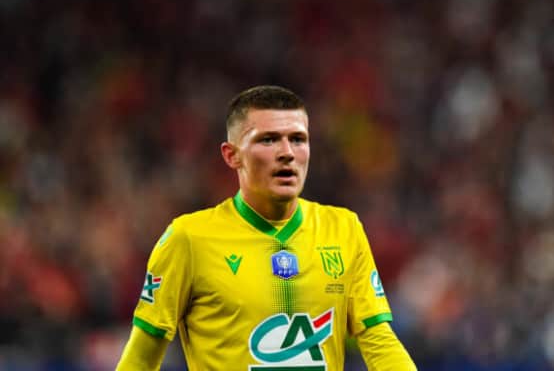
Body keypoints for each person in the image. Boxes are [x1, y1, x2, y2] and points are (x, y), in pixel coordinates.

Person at [116, 85, 417, 370]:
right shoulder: (189, 239)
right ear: (231, 155)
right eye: (268, 140)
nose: (287, 152)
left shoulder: (343, 229)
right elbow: (142, 357)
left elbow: (378, 340)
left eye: (298, 139)